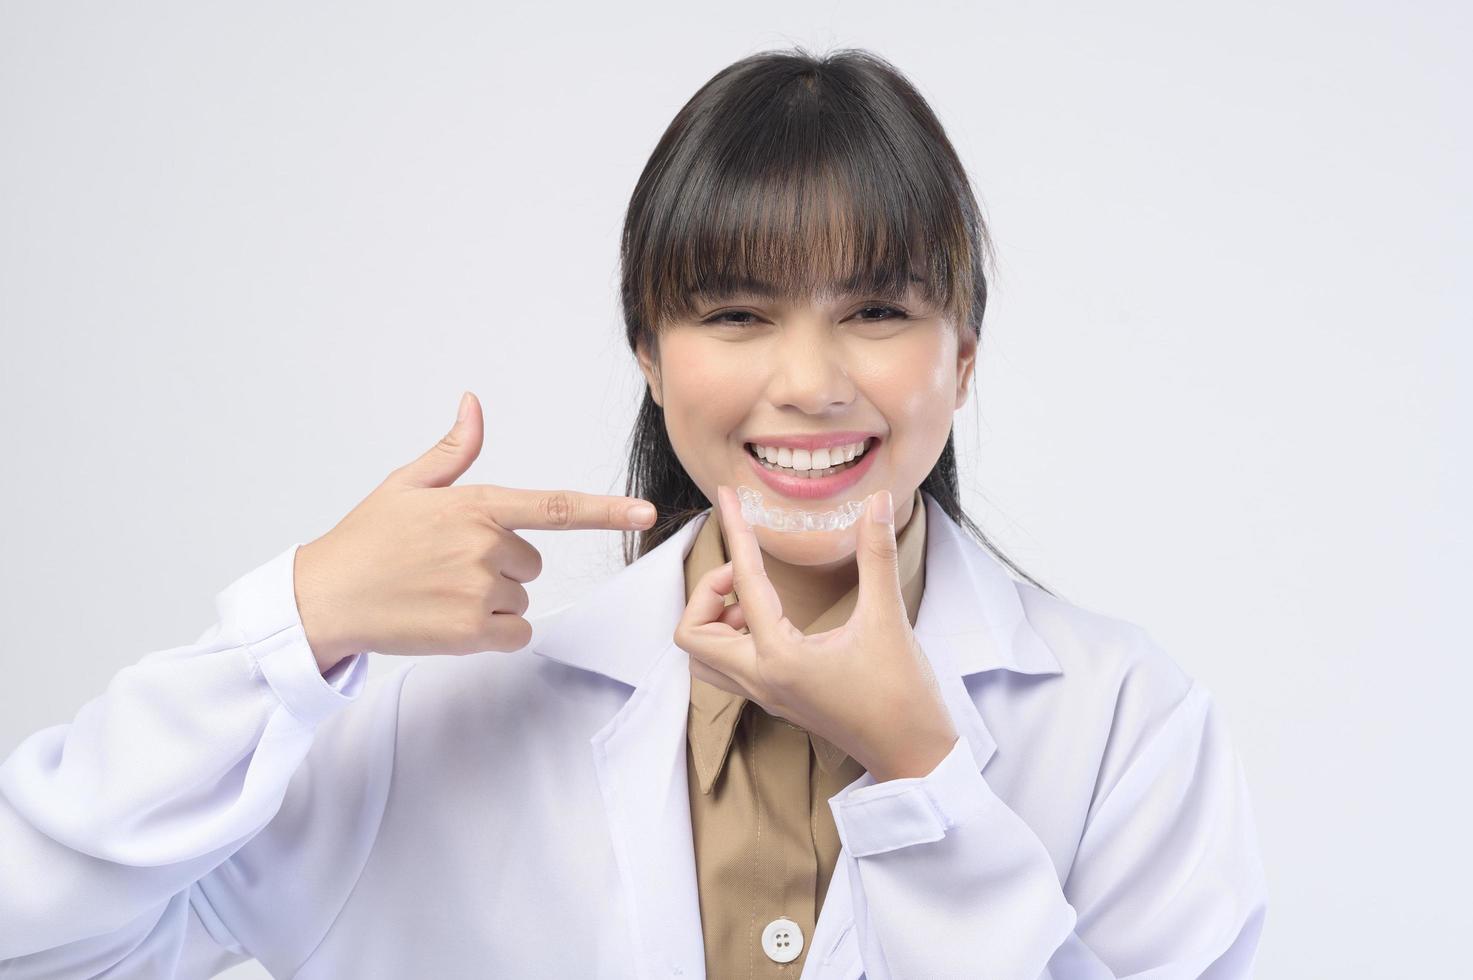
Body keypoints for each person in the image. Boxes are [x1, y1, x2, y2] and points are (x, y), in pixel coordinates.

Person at [0, 47, 1267, 979]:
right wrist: (297, 622)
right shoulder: (434, 714)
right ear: (651, 359)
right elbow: (39, 929)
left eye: (878, 311)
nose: (811, 380)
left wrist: (924, 776)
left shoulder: (1124, 724)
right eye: (735, 313)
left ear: (965, 358)